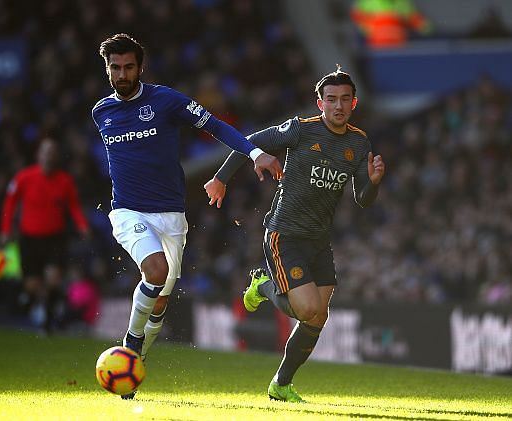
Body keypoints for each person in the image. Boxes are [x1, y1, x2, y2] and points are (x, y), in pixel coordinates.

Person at [91, 33, 283, 399]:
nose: (122, 74)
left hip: (171, 215)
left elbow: (216, 126)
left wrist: (255, 152)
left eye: (128, 66)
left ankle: (136, 365)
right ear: (107, 68)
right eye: (115, 67)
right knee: (156, 271)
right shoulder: (101, 111)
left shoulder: (165, 100)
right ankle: (131, 346)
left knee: (160, 299)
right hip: (128, 210)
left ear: (140, 67)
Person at [204, 67, 385, 402]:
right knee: (306, 309)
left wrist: (372, 183)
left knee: (318, 315)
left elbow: (362, 199)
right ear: (320, 103)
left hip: (319, 239)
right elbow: (253, 141)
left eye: (345, 99)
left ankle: (282, 384)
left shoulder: (359, 143)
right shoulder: (301, 131)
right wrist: (220, 178)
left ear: (354, 103)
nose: (338, 106)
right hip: (284, 234)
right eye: (331, 99)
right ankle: (263, 286)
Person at [0, 137, 90, 333]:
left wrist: (82, 225)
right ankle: (34, 302)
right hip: (29, 238)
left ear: (56, 157)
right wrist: (6, 229)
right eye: (45, 151)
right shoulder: (24, 177)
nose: (49, 156)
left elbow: (73, 205)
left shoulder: (65, 181)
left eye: (52, 152)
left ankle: (47, 320)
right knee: (33, 284)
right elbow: (10, 202)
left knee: (54, 279)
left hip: (54, 238)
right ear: (38, 155)